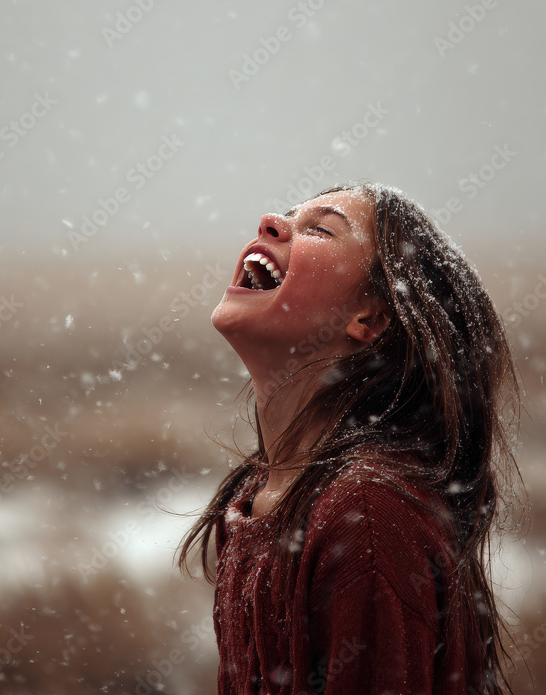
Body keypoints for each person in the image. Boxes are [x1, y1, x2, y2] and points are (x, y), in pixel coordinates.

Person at [176, 182, 527, 694]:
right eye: (288, 216)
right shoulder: (256, 496)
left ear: (370, 319)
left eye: (319, 228)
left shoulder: (365, 513)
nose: (271, 222)